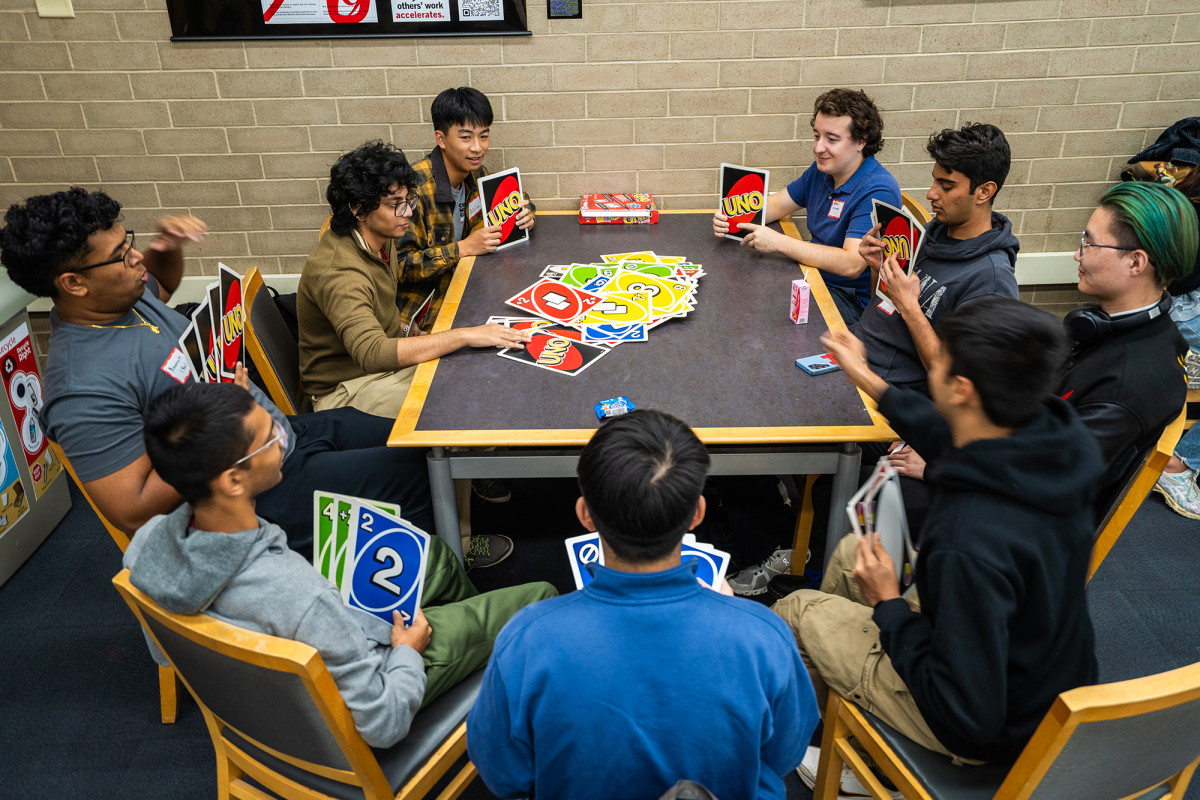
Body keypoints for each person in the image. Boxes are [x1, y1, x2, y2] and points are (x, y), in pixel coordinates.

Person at [775, 297, 1103, 789]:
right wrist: (867, 378)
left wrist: (888, 607)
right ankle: (853, 723)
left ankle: (852, 763)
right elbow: (944, 434)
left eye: (940, 359)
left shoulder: (965, 539)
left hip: (984, 728)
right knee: (847, 557)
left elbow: (967, 711)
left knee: (796, 611)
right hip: (1040, 673)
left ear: (963, 390)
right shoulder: (1056, 440)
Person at [123, 382, 556, 747]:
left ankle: (480, 646)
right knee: (542, 596)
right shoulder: (303, 594)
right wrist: (406, 653)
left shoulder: (145, 549)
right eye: (269, 436)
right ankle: (497, 672)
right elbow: (383, 722)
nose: (283, 435)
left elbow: (166, 650)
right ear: (232, 480)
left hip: (293, 673)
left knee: (434, 557)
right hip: (365, 698)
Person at [0, 187, 430, 550]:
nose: (136, 259)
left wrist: (166, 248)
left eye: (129, 241)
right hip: (248, 495)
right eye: (121, 254)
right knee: (417, 475)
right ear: (73, 283)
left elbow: (163, 283)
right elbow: (131, 508)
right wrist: (224, 429)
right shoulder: (83, 387)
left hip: (280, 432)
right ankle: (436, 582)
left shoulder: (118, 296)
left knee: (424, 435)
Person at [467, 409, 818, 800]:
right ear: (697, 514)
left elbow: (503, 774)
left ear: (585, 515)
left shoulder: (526, 638)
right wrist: (738, 618)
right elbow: (785, 754)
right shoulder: (765, 635)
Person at [730, 124, 1020, 595]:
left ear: (985, 192)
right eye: (934, 179)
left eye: (946, 185)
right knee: (742, 372)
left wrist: (908, 305)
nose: (931, 193)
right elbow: (882, 304)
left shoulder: (989, 278)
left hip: (883, 400)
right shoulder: (934, 236)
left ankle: (784, 550)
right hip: (854, 356)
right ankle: (768, 525)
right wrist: (871, 264)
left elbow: (961, 380)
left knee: (747, 421)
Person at [299, 140, 531, 419]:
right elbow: (372, 352)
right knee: (470, 402)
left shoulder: (382, 239)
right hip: (347, 391)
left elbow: (375, 312)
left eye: (407, 201)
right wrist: (465, 334)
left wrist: (416, 331)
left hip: (381, 372)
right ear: (358, 209)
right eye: (395, 205)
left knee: (478, 371)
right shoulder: (339, 272)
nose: (408, 212)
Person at [1056, 182, 1196, 515]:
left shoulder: (1129, 382)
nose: (1078, 254)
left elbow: (1045, 479)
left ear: (1135, 263)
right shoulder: (1129, 331)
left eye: (1088, 243)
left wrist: (943, 464)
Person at [713, 88, 901, 326]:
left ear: (861, 142)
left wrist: (779, 242)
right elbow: (773, 205)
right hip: (813, 276)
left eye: (831, 139)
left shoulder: (878, 189)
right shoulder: (822, 170)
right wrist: (731, 216)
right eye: (816, 136)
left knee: (760, 313)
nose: (818, 148)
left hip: (848, 301)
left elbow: (851, 264)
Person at [396, 87, 534, 332]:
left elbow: (518, 197)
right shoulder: (414, 188)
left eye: (483, 136)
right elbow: (400, 267)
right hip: (424, 316)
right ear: (441, 139)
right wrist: (463, 248)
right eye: (466, 137)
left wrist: (526, 213)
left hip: (468, 292)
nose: (477, 148)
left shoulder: (476, 174)